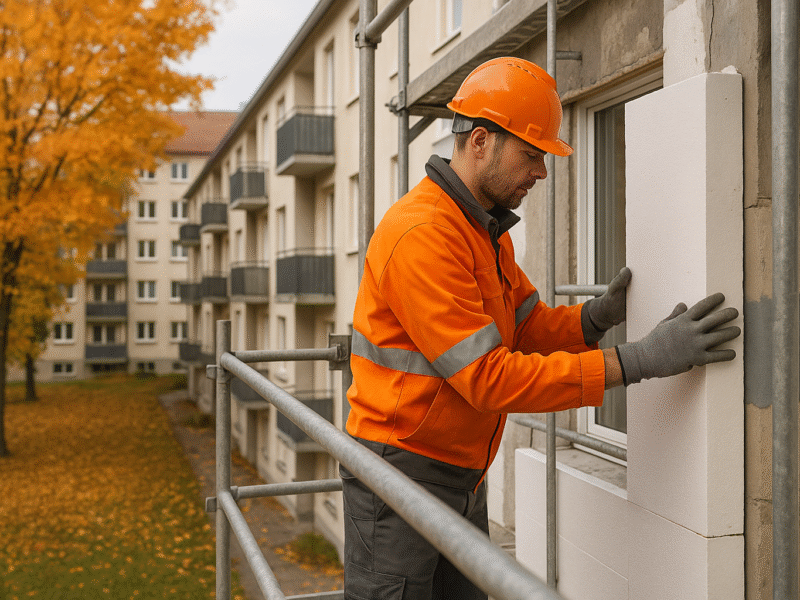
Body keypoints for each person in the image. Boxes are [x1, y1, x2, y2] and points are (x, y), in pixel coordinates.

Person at [340, 56, 741, 600]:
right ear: (480, 141)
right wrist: (638, 361)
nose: (542, 172)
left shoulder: (482, 228)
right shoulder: (423, 235)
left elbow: (525, 323)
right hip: (400, 475)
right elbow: (488, 379)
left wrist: (592, 319)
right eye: (533, 155)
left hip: (458, 470)